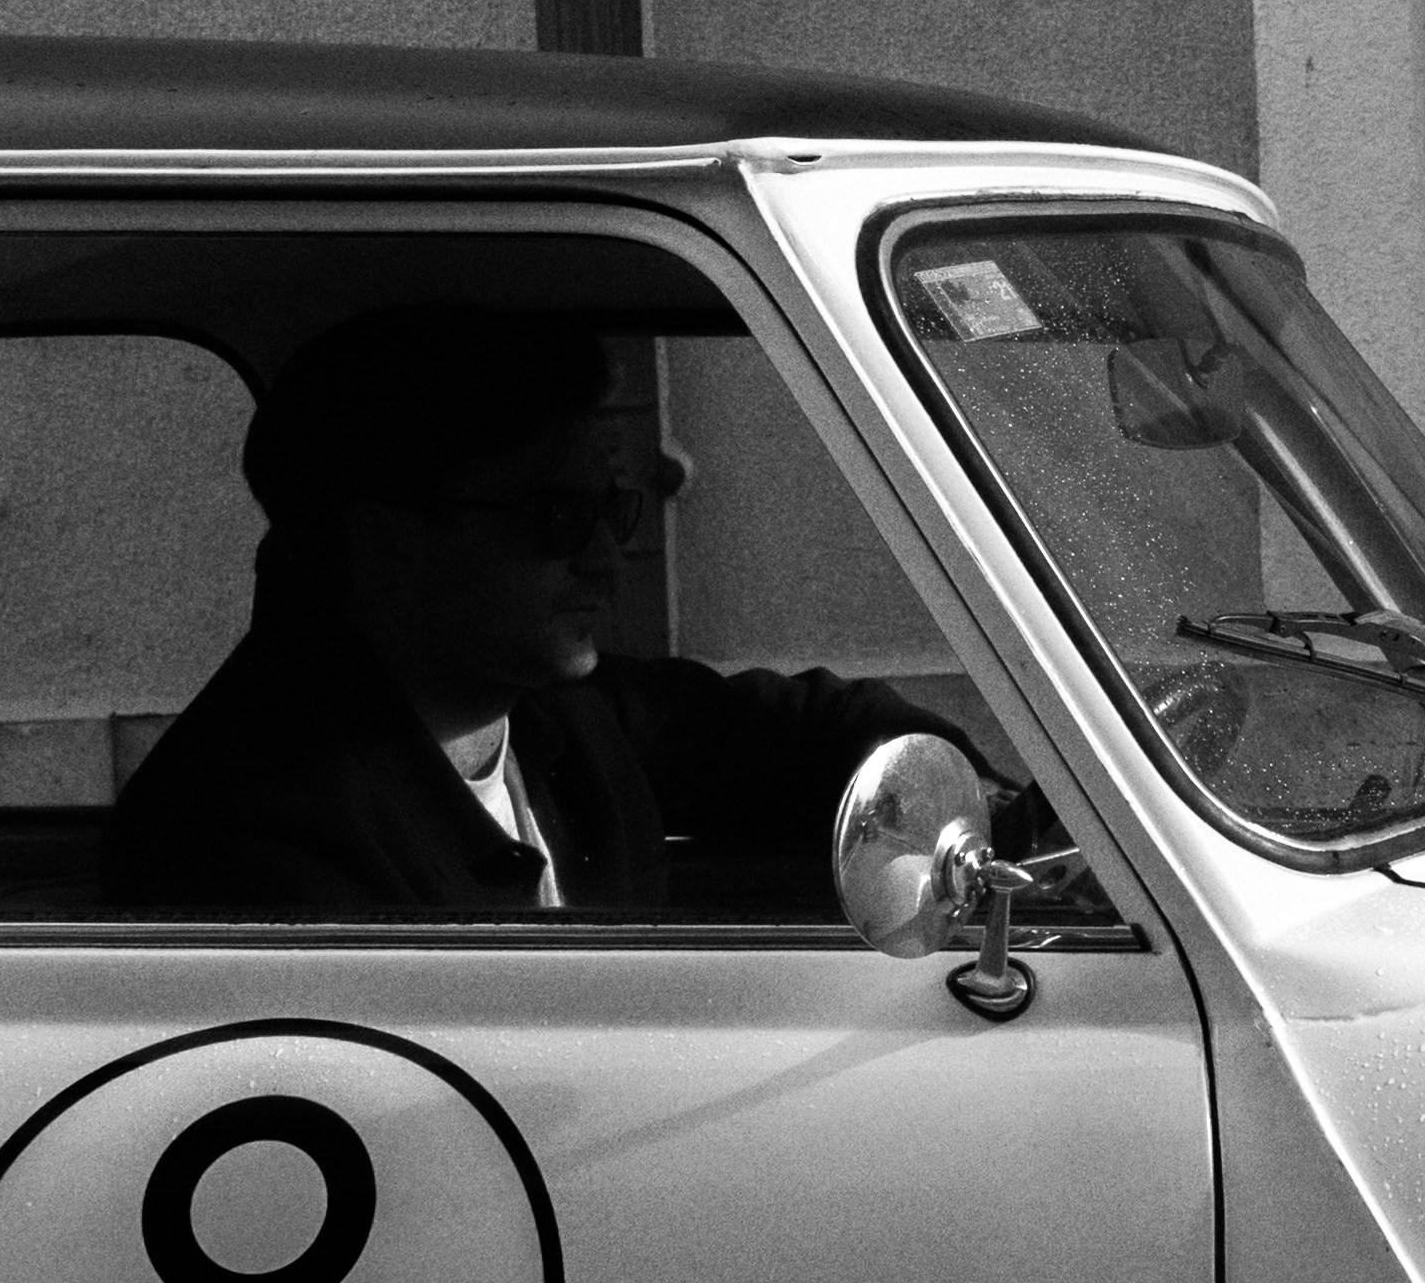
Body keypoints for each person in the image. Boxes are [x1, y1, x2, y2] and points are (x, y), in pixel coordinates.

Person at [106, 312, 971, 920]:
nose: (604, 560)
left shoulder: (563, 715)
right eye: (556, 518)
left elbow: (807, 726)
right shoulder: (255, 837)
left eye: (611, 511)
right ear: (391, 541)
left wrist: (978, 805)